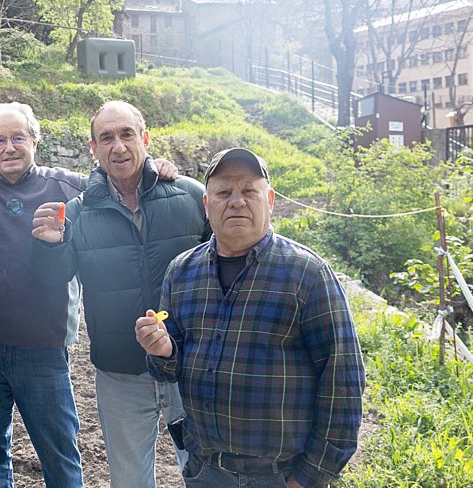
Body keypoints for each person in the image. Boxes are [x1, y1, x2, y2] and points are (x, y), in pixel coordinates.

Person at [0, 102, 178, 488]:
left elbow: (119, 180)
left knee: (60, 455)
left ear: (35, 140)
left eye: (18, 137)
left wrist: (155, 167)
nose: (9, 147)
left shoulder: (66, 184)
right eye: (0, 140)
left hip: (44, 350)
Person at [136, 148, 365, 488]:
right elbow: (167, 371)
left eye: (249, 191)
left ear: (269, 199)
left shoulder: (307, 274)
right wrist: (162, 351)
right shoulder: (182, 272)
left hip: (282, 476)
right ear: (206, 204)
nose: (237, 202)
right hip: (206, 471)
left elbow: (343, 381)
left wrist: (310, 476)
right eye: (224, 192)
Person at [31, 100, 209, 488]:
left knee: (205, 473)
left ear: (145, 138)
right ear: (93, 150)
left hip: (191, 364)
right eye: (106, 137)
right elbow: (55, 279)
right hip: (120, 370)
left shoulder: (191, 197)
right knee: (130, 480)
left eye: (127, 134)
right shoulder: (76, 214)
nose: (119, 146)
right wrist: (48, 247)